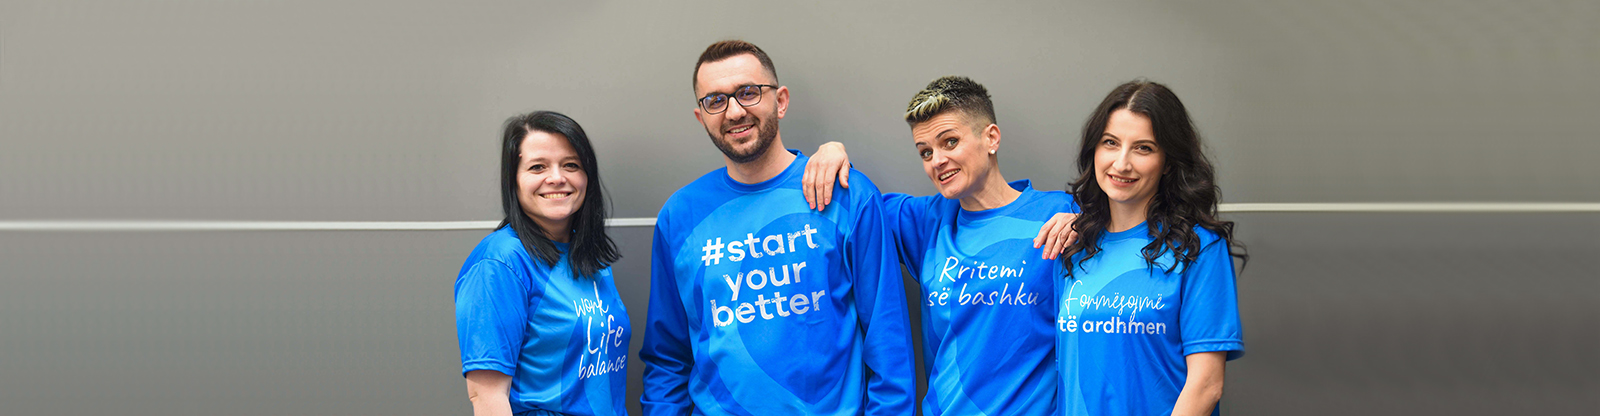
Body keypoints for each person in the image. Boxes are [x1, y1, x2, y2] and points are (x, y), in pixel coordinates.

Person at [639, 40, 916, 415]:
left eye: (748, 93)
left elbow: (888, 347)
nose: (734, 111)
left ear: (780, 101)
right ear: (701, 116)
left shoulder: (846, 194)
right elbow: (667, 358)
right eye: (715, 101)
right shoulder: (679, 215)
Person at [802, 76, 1079, 415]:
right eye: (926, 152)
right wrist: (833, 151)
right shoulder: (924, 221)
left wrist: (1087, 223)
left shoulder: (1059, 213)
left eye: (950, 142)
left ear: (991, 138)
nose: (937, 160)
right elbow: (856, 209)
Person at [1055, 80, 1246, 416]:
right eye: (1110, 143)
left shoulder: (1198, 248)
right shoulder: (1073, 246)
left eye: (1143, 148)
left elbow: (1206, 385)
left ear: (1168, 161)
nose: (1121, 163)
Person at [455, 111, 629, 416]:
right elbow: (486, 396)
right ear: (514, 180)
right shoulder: (499, 263)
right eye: (538, 167)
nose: (557, 178)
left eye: (571, 165)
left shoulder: (590, 258)